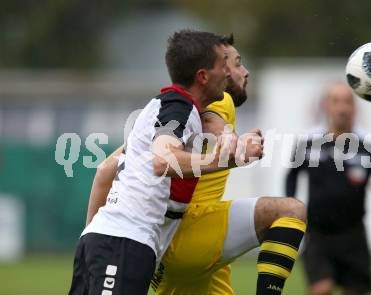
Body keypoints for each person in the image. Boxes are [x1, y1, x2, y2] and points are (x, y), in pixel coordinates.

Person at [86, 35, 307, 295]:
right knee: (289, 211)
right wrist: (233, 143)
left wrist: (92, 239)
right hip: (190, 230)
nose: (240, 72)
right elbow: (213, 123)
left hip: (157, 242)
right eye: (233, 64)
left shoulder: (157, 118)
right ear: (206, 74)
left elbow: (103, 171)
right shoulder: (214, 100)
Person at [285, 81, 371, 295]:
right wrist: (291, 208)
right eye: (336, 101)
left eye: (347, 102)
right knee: (321, 288)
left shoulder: (370, 146)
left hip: (353, 234)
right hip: (318, 234)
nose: (342, 108)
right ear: (326, 106)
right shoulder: (308, 143)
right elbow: (292, 176)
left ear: (355, 107)